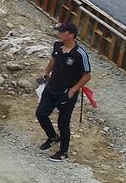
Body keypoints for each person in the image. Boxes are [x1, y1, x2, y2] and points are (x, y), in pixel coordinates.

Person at [36, 21, 92, 161]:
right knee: (41, 113)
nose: (59, 34)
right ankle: (52, 136)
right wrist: (46, 72)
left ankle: (63, 152)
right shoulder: (58, 46)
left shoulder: (80, 54)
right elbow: (54, 59)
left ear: (71, 35)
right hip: (51, 87)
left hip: (66, 93)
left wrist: (73, 90)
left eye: (62, 32)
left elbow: (87, 75)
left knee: (63, 122)